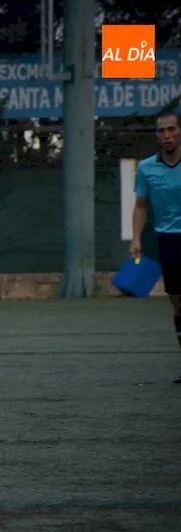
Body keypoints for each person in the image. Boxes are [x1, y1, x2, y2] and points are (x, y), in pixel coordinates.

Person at [130, 111, 181, 383]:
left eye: (172, 129)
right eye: (162, 131)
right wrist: (136, 239)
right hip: (168, 239)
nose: (167, 136)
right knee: (178, 305)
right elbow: (140, 206)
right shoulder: (147, 168)